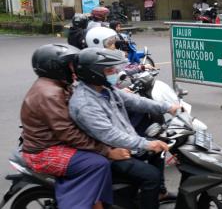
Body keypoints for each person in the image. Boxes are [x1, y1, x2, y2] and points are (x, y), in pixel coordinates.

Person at [21, 43, 130, 209]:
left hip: (54, 142)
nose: (74, 70)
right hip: (44, 151)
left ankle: (98, 202)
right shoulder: (49, 93)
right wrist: (106, 151)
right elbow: (68, 132)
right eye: (69, 65)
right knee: (97, 163)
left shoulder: (57, 85)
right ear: (55, 67)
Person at [69, 47, 180, 209]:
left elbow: (135, 101)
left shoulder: (104, 89)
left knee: (159, 151)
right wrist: (146, 144)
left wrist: (167, 107)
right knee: (151, 176)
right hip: (108, 153)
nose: (115, 72)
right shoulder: (85, 103)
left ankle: (154, 194)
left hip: (124, 143)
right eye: (110, 69)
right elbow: (109, 134)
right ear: (94, 72)